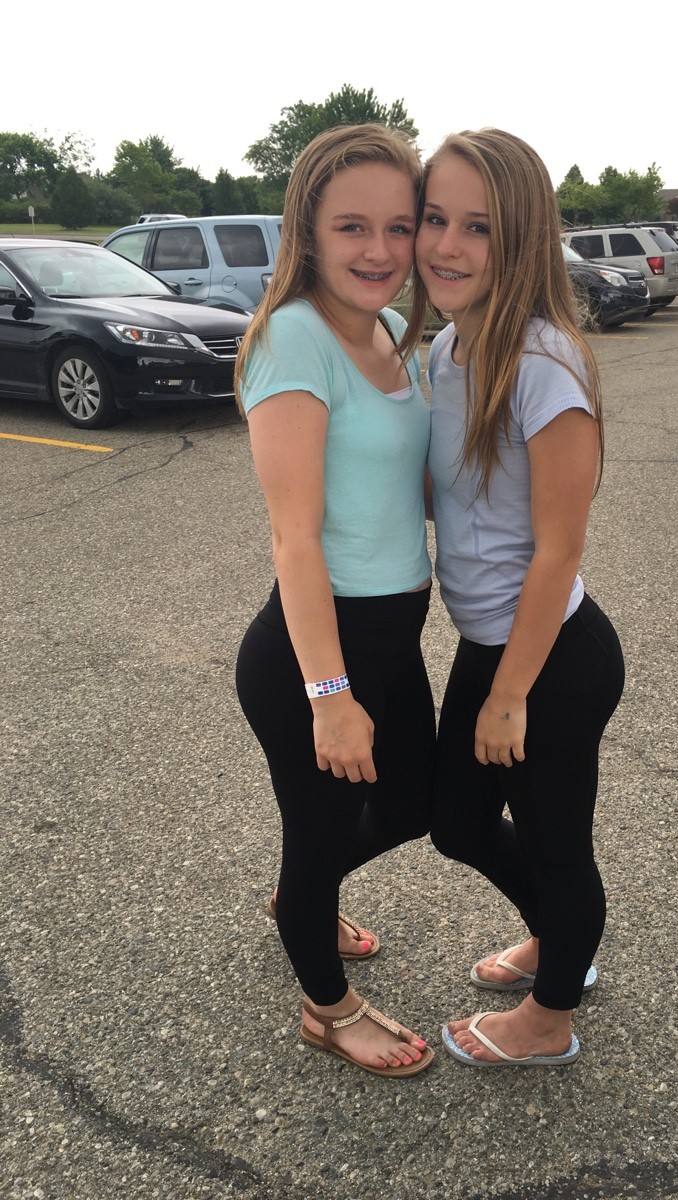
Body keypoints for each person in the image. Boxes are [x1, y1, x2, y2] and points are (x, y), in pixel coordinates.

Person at [411, 129, 626, 1067]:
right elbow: (448, 495)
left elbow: (558, 549)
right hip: (490, 644)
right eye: (434, 219)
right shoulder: (446, 349)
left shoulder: (545, 363)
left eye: (479, 227)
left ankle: (550, 1019)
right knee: (456, 822)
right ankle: (558, 940)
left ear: (524, 238)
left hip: (551, 658)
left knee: (556, 842)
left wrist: (509, 696)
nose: (446, 246)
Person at [234, 124, 435, 1078]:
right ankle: (328, 1008)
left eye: (400, 226)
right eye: (353, 226)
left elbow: (405, 483)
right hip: (315, 652)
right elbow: (295, 538)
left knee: (416, 800)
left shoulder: (392, 331)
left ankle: (299, 898)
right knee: (317, 838)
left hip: (396, 636)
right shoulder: (293, 339)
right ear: (308, 232)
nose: (381, 250)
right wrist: (330, 695)